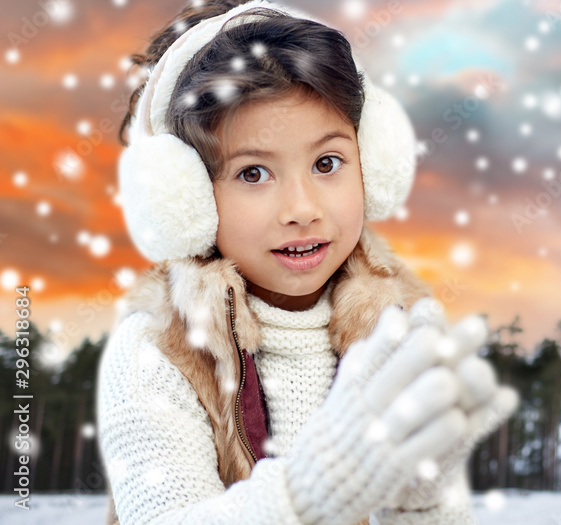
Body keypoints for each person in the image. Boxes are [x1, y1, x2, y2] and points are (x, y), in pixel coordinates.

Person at [96, 1, 518, 524]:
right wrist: (307, 494)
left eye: (326, 163)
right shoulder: (158, 349)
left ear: (372, 162)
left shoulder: (399, 328)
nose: (302, 210)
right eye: (253, 174)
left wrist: (423, 500)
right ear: (185, 198)